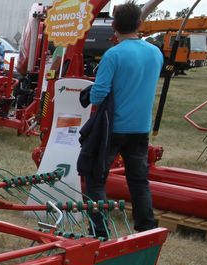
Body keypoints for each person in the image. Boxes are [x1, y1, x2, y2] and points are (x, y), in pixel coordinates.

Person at [87, 1, 162, 235]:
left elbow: (98, 94)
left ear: (113, 25)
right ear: (140, 24)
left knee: (96, 179)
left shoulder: (114, 54)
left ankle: (99, 232)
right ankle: (146, 228)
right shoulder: (155, 52)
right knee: (138, 180)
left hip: (113, 128)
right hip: (140, 128)